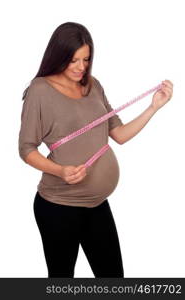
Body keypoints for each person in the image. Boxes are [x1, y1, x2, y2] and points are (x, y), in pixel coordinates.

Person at [18, 22, 173, 278]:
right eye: (74, 60)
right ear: (58, 56)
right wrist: (60, 170)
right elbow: (26, 149)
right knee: (61, 281)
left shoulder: (93, 85)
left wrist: (153, 108)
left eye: (86, 59)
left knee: (113, 279)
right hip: (59, 205)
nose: (81, 67)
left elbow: (119, 135)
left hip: (97, 204)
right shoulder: (40, 91)